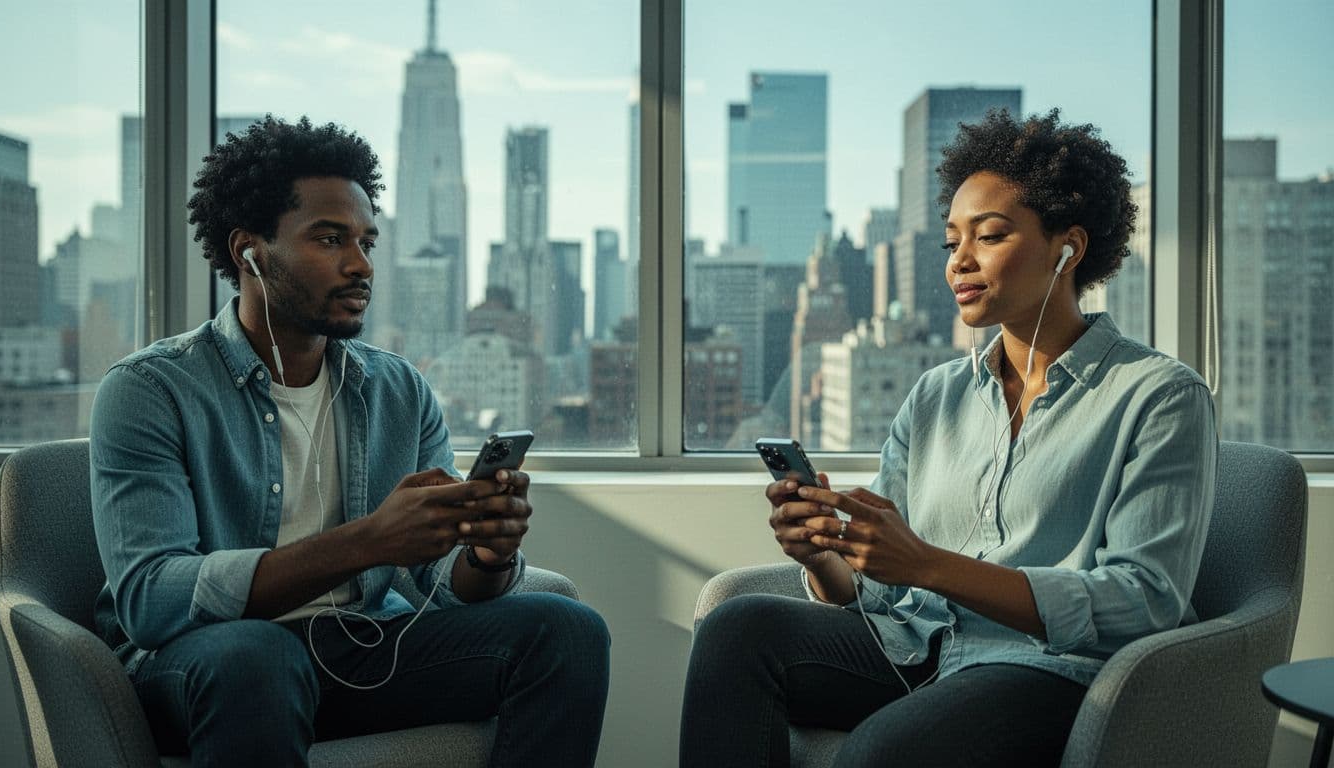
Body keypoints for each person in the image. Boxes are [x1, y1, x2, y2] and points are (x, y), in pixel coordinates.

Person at [680, 109, 1217, 768]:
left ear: (1068, 248)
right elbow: (879, 589)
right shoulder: (935, 396)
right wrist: (825, 557)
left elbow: (1147, 601)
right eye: (951, 241)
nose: (959, 261)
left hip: (1052, 672)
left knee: (883, 750)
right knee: (737, 630)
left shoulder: (1160, 396)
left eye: (988, 236)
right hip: (919, 650)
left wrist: (930, 565)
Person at [89, 115, 609, 767]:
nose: (361, 264)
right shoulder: (151, 391)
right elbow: (151, 600)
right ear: (250, 250)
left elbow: (440, 583)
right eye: (331, 239)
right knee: (258, 655)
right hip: (205, 663)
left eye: (366, 241)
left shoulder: (399, 391)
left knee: (567, 631)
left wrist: (486, 556)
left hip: (359, 650)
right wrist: (369, 541)